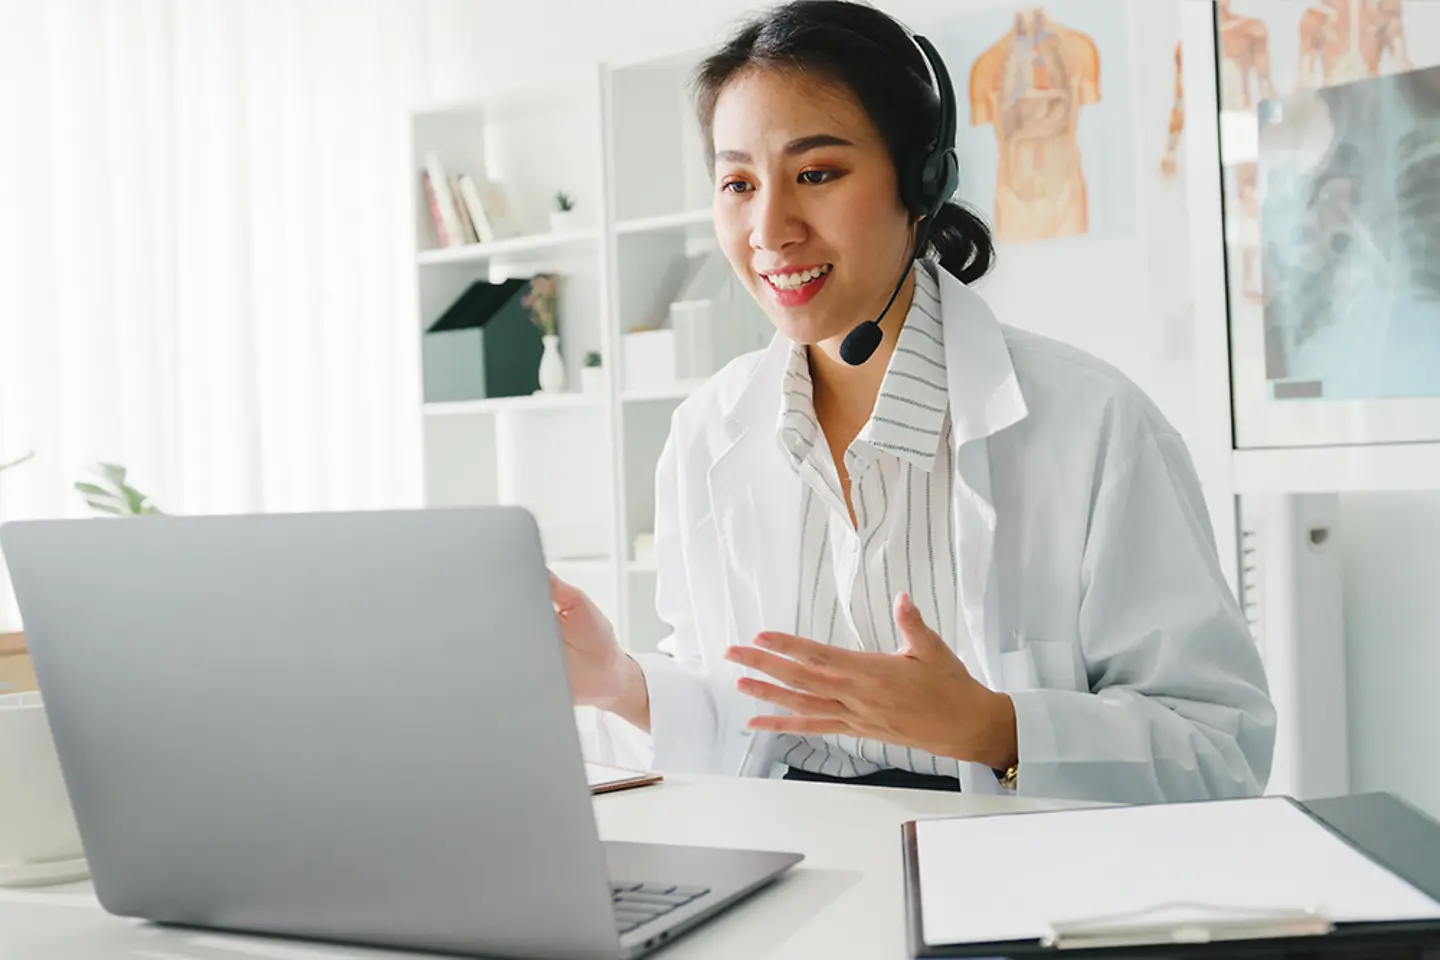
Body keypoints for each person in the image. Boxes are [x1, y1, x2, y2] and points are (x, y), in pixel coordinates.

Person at [550, 0, 1276, 804]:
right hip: (787, 854)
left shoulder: (1098, 425)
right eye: (738, 183)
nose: (770, 227)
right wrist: (616, 681)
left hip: (1015, 870)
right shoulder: (706, 432)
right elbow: (732, 707)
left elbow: (1219, 750)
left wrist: (994, 728)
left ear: (923, 182)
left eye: (816, 174)